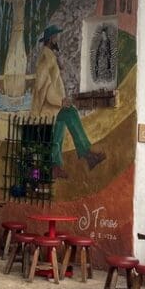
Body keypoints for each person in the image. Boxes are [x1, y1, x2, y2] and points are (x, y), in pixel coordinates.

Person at [31, 25, 105, 179]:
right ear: (51, 39)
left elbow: (52, 80)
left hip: (54, 107)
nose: (57, 40)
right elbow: (42, 85)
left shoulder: (50, 56)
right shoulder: (46, 58)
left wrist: (59, 66)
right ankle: (87, 155)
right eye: (56, 37)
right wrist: (60, 101)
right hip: (50, 107)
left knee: (58, 133)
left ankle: (55, 166)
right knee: (70, 113)